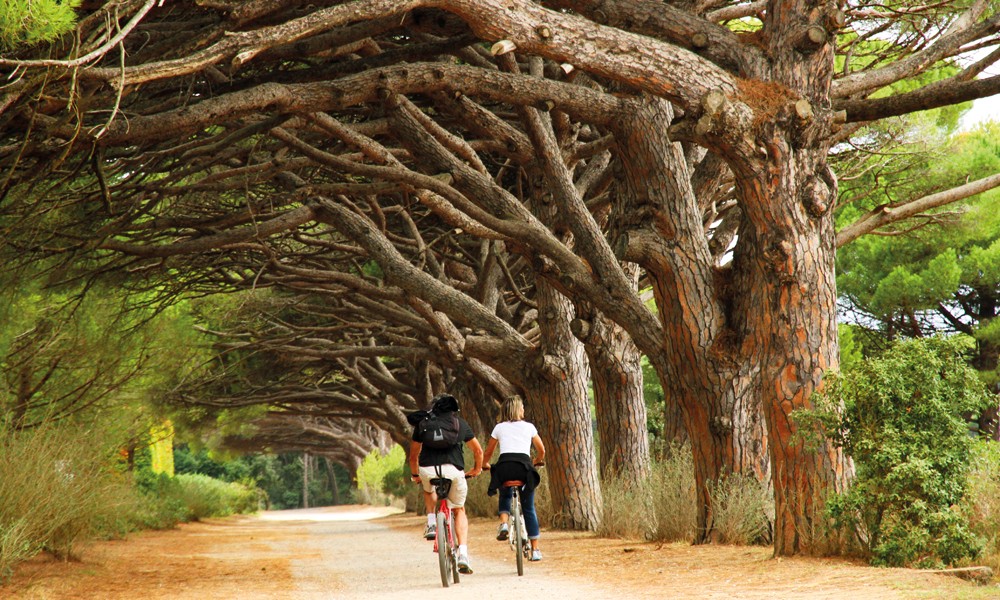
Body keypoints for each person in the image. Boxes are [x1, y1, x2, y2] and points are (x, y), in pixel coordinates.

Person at [408, 393, 483, 574]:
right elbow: (478, 451)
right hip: (454, 470)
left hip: (427, 470)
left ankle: (432, 522)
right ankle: (463, 553)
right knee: (458, 509)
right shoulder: (459, 424)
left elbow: (413, 456)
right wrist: (476, 469)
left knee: (428, 489)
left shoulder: (423, 424)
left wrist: (415, 474)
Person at [483, 396, 545, 561]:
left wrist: (484, 464)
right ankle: (536, 550)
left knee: (504, 493)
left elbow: (489, 451)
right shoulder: (529, 427)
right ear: (518, 410)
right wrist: (537, 461)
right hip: (524, 468)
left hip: (505, 468)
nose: (524, 410)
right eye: (522, 407)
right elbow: (541, 450)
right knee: (529, 508)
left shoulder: (499, 428)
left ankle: (504, 523)